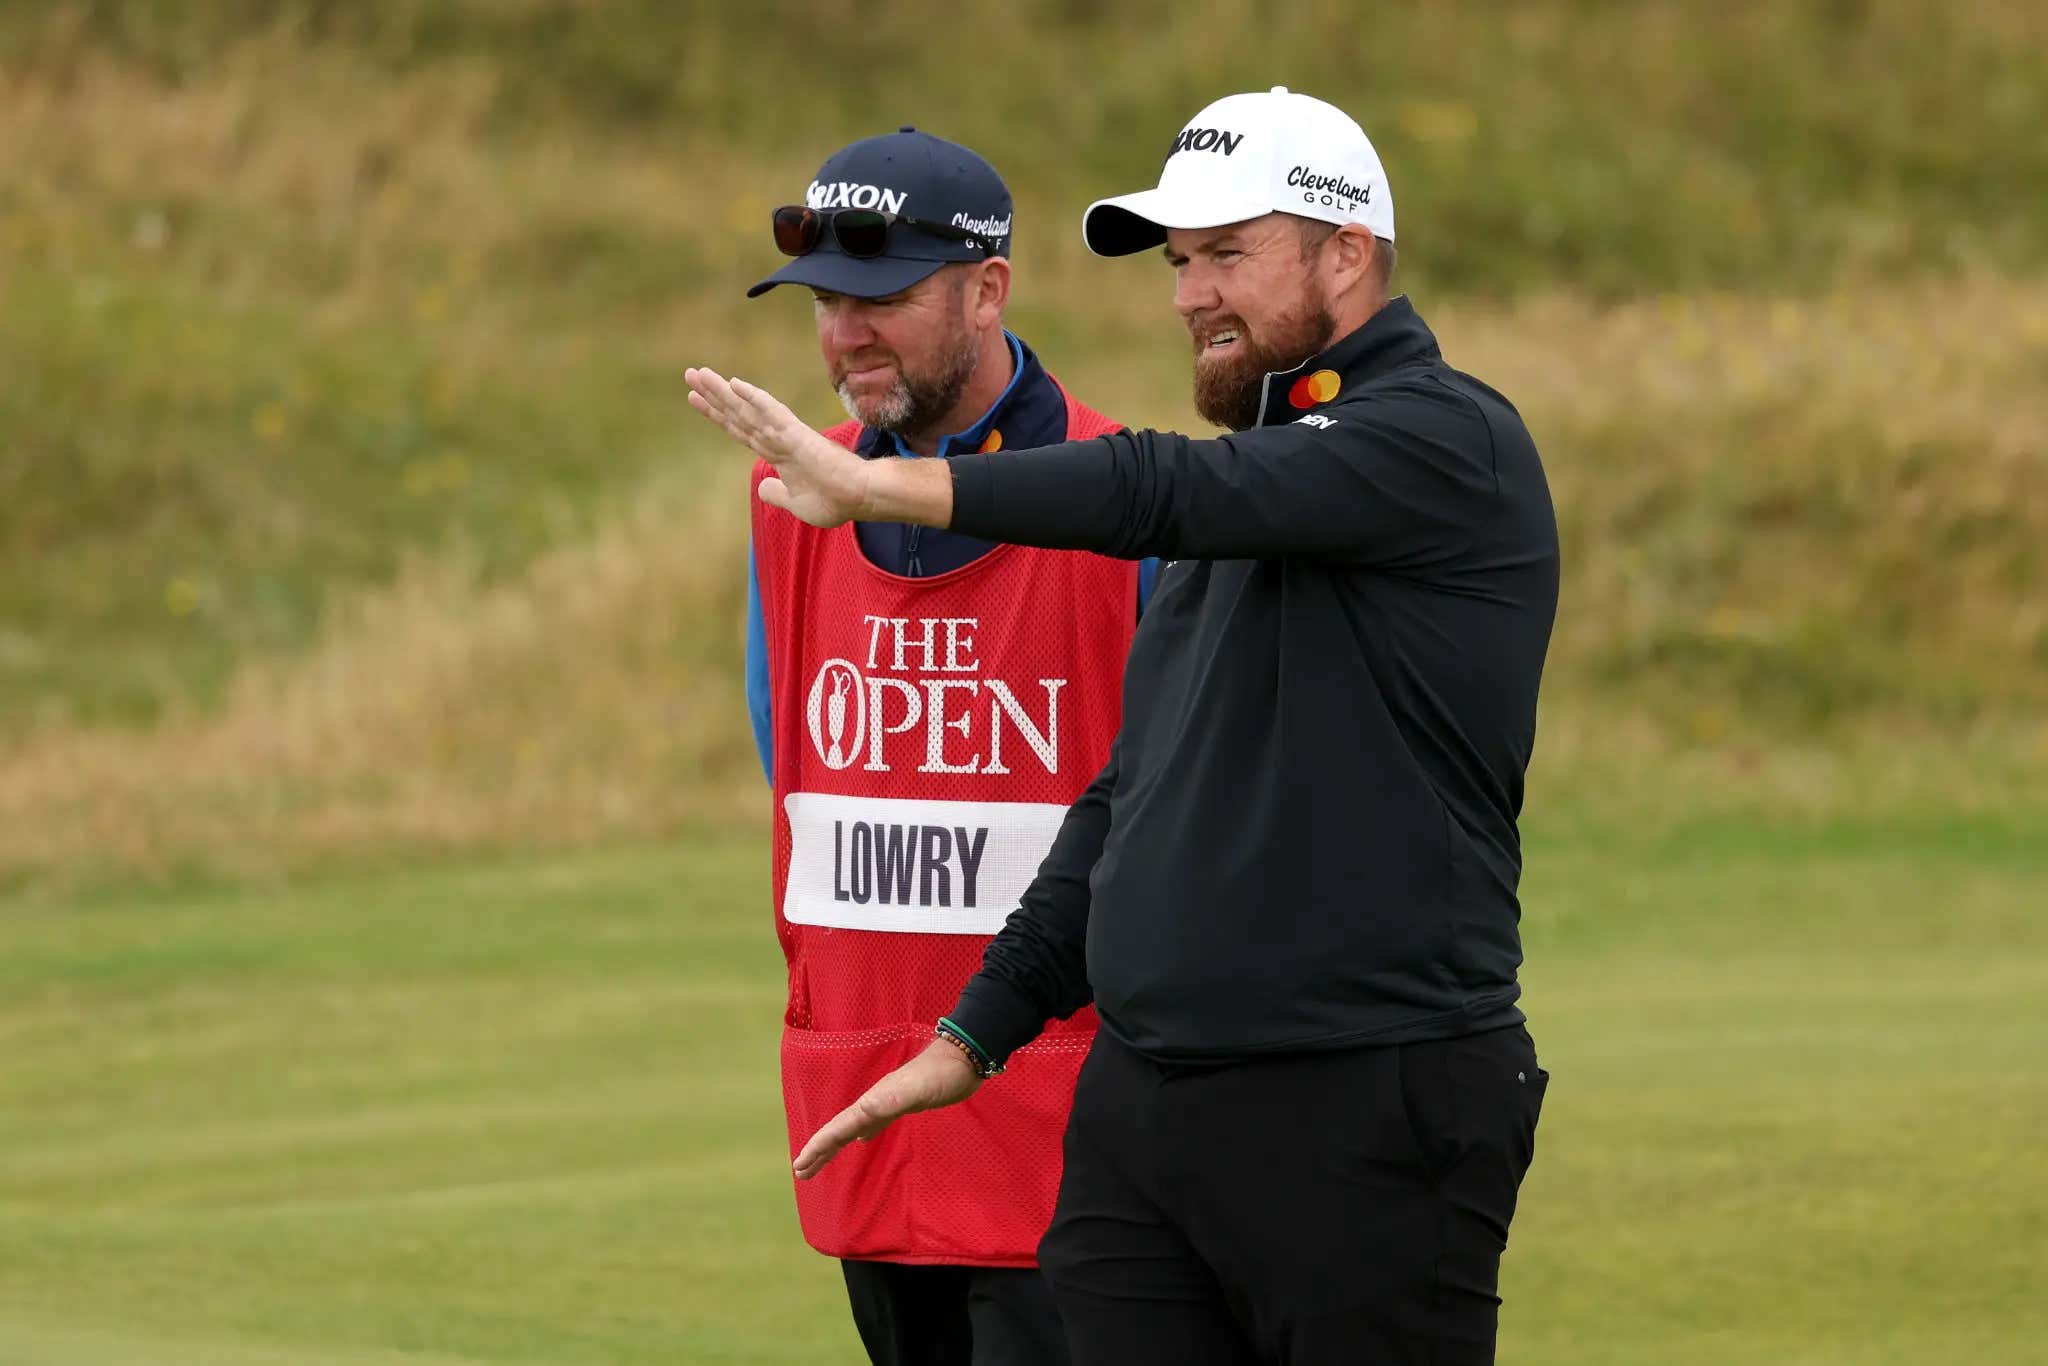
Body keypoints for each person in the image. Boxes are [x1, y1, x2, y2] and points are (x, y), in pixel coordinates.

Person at [697, 87, 1558, 1365]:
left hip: (1365, 1092)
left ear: (1346, 254)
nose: (1187, 293)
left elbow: (1158, 482)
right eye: (1177, 261)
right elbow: (1127, 797)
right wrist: (973, 1031)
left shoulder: (1441, 441)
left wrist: (887, 483)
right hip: (1149, 1118)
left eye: (1225, 253)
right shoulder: (1241, 499)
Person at [739, 125, 1157, 1366]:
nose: (843, 335)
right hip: (863, 1115)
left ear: (988, 291)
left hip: (1061, 1127)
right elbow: (794, 770)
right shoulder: (787, 506)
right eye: (825, 302)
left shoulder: (1127, 497)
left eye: (885, 298)